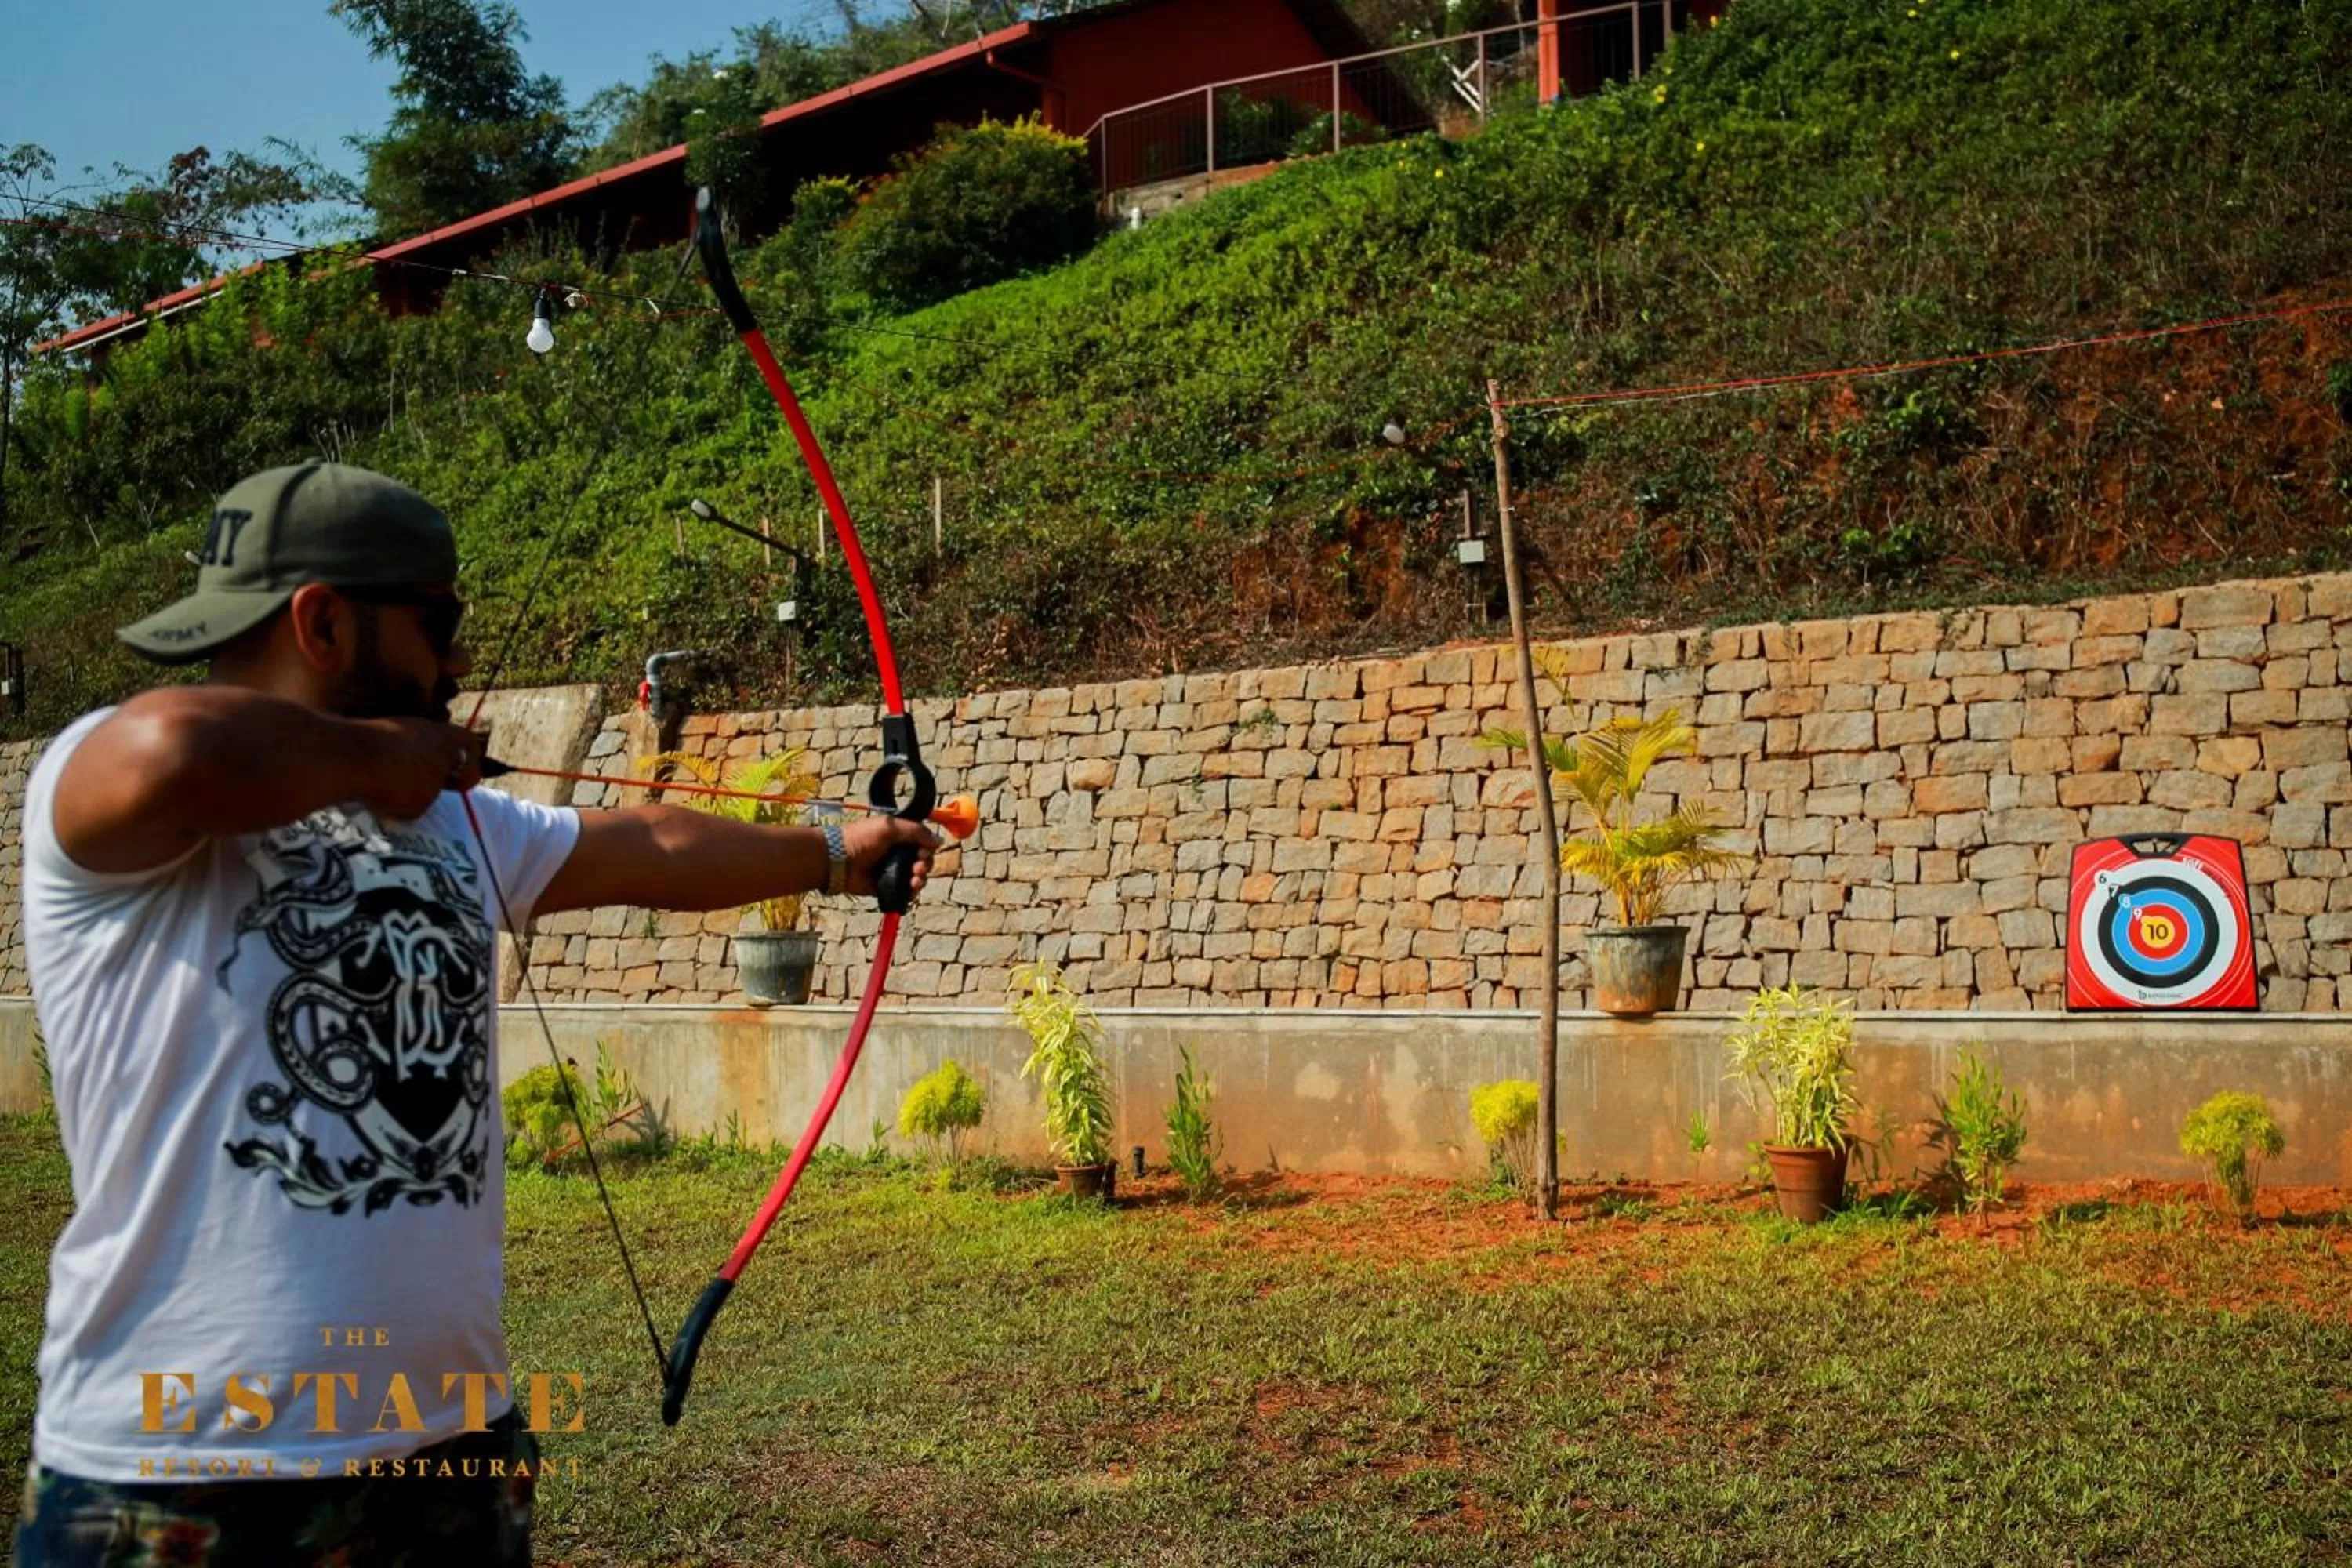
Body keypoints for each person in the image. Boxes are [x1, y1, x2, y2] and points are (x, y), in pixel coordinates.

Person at [11, 462, 938, 1565]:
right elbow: (175, 750)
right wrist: (382, 759)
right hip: (175, 1478)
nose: (456, 662)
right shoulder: (103, 785)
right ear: (320, 623)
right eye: (437, 623)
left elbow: (646, 843)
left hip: (444, 1455)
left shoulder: (448, 820)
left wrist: (837, 851)